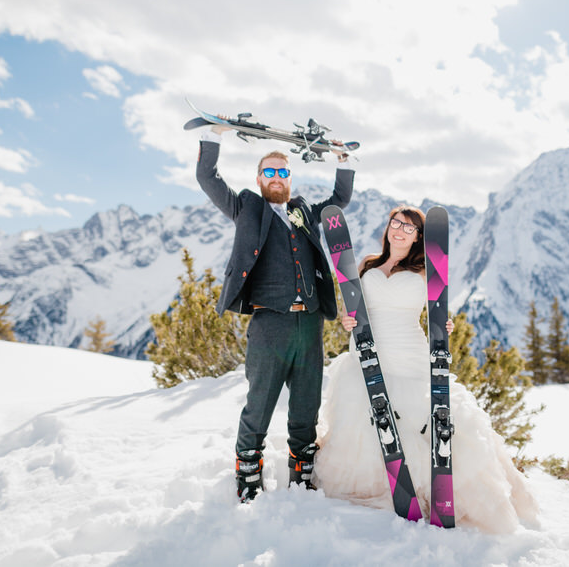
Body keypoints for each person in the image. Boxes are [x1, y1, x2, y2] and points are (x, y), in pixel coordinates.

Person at [313, 206, 539, 533]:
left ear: (419, 236)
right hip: (368, 354)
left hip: (410, 352)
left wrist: (442, 323)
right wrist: (349, 321)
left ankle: (435, 492)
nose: (400, 230)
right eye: (396, 223)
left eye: (409, 227)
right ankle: (382, 488)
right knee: (363, 422)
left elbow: (437, 306)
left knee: (420, 418)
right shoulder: (367, 264)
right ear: (388, 226)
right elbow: (356, 308)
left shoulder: (424, 269)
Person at [196, 126, 354, 502]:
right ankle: (248, 474)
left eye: (283, 172)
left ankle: (302, 476)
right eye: (270, 171)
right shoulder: (245, 208)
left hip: (309, 324)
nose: (277, 178)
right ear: (259, 178)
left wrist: (343, 162)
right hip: (270, 324)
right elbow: (207, 177)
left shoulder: (304, 212)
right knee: (260, 402)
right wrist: (215, 136)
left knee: (306, 405)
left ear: (290, 177)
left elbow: (339, 200)